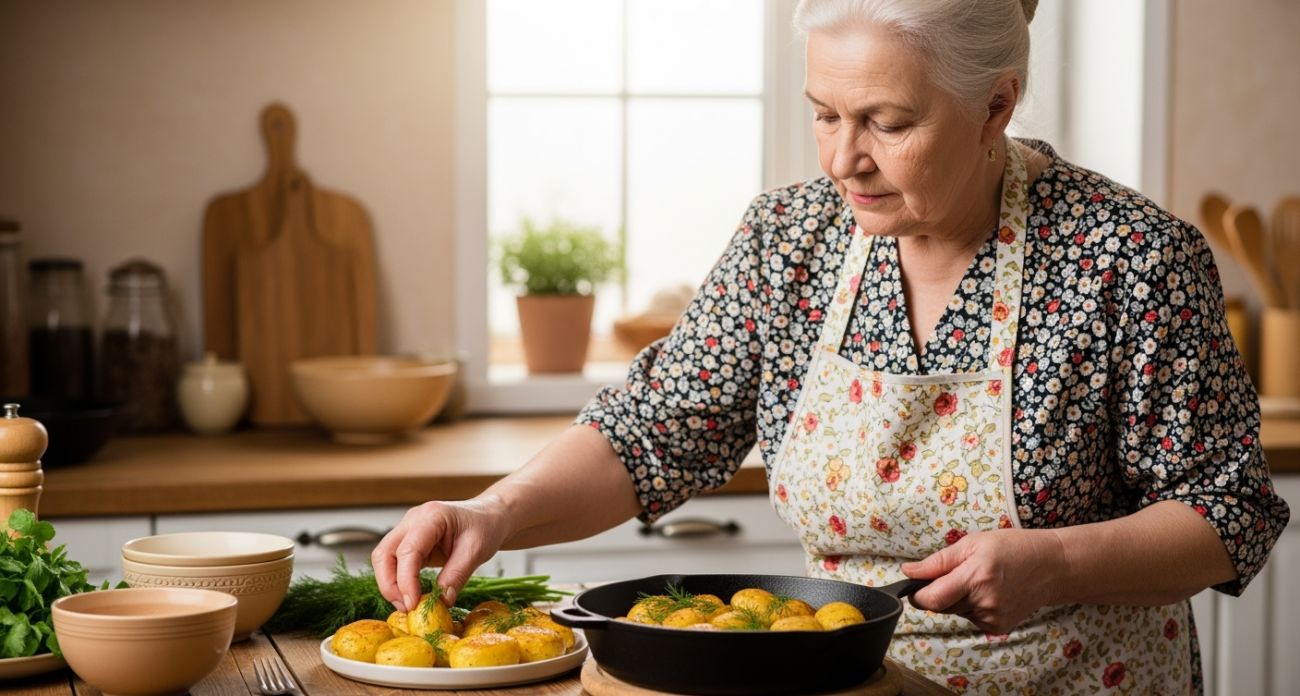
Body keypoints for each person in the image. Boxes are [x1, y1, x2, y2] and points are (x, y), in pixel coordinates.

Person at [374, 0, 1290, 692]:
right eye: (824, 113)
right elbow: (655, 429)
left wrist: (1055, 564)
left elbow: (1227, 511)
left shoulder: (1129, 257)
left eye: (886, 123)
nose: (840, 158)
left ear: (995, 105)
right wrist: (496, 510)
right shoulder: (792, 238)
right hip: (845, 685)